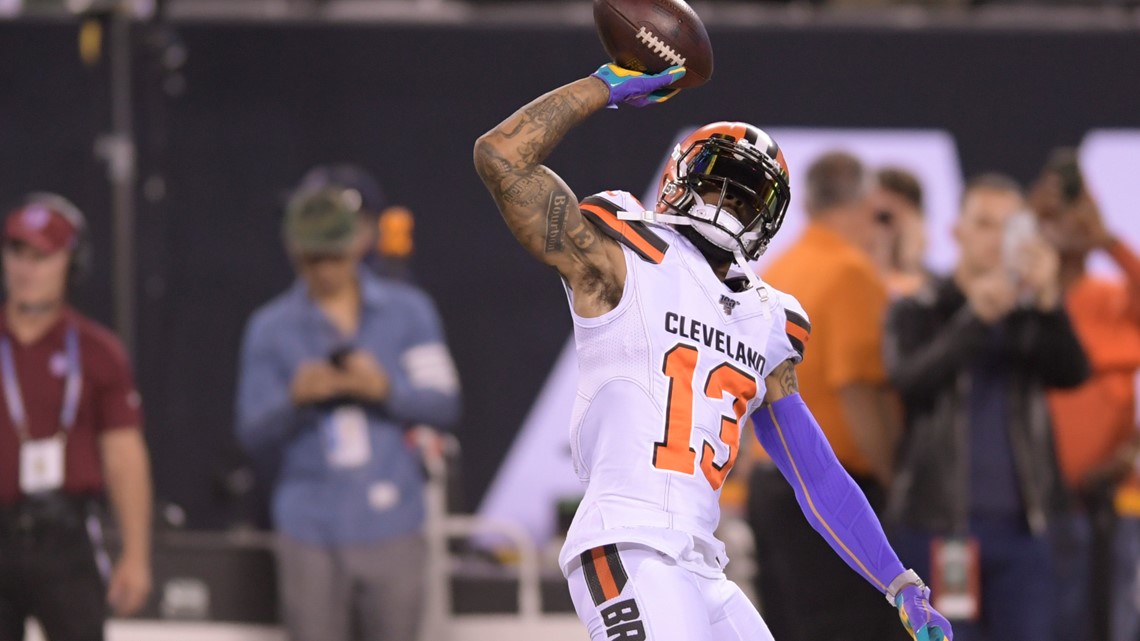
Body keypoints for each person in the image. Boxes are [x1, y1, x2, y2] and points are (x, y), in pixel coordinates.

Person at [473, 63, 951, 641]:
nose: (728, 204)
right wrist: (604, 84)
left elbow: (815, 472)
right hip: (628, 540)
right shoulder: (625, 256)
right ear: (679, 181)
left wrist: (895, 580)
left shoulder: (768, 318)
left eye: (747, 198)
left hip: (702, 562)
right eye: (718, 184)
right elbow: (501, 157)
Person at [235, 186, 461, 641]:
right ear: (293, 252)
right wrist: (294, 399)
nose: (326, 270)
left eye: (334, 255)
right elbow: (251, 431)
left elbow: (445, 403)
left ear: (359, 242)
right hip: (308, 529)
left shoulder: (408, 313)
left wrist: (385, 389)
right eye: (313, 259)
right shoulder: (270, 328)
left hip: (393, 523)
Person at [883, 174, 1089, 641]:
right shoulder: (918, 308)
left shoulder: (1029, 316)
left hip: (1023, 529)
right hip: (942, 527)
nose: (996, 239)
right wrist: (975, 319)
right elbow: (910, 382)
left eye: (1009, 226)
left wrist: (1050, 301)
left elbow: (1072, 372)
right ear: (957, 231)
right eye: (984, 224)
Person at [749, 151, 906, 641]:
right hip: (833, 488)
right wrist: (893, 481)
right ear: (863, 203)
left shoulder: (777, 269)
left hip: (771, 484)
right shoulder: (851, 272)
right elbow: (857, 389)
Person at [0, 193, 152, 641]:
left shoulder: (97, 351)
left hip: (65, 539)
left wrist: (136, 555)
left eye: (42, 257)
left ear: (71, 263)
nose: (27, 269)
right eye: (17, 253)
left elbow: (124, 457)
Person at [1029, 166, 1140, 641]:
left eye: (1074, 211)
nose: (1064, 223)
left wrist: (1107, 240)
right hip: (1037, 503)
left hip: (1114, 500)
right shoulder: (1028, 302)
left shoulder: (1114, 298)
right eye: (1051, 215)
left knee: (1115, 621)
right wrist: (1032, 221)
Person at [873, 167, 931, 298]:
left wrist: (910, 265)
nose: (879, 230)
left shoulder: (942, 292)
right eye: (881, 217)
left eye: (886, 218)